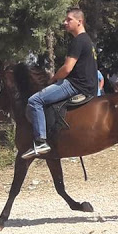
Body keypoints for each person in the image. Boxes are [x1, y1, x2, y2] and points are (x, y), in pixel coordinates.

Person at [23, 8, 98, 159]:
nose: (65, 22)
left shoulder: (78, 41)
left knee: (34, 100)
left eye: (69, 19)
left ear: (79, 21)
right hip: (90, 86)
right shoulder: (88, 41)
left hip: (76, 85)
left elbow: (67, 68)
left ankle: (40, 142)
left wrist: (53, 79)